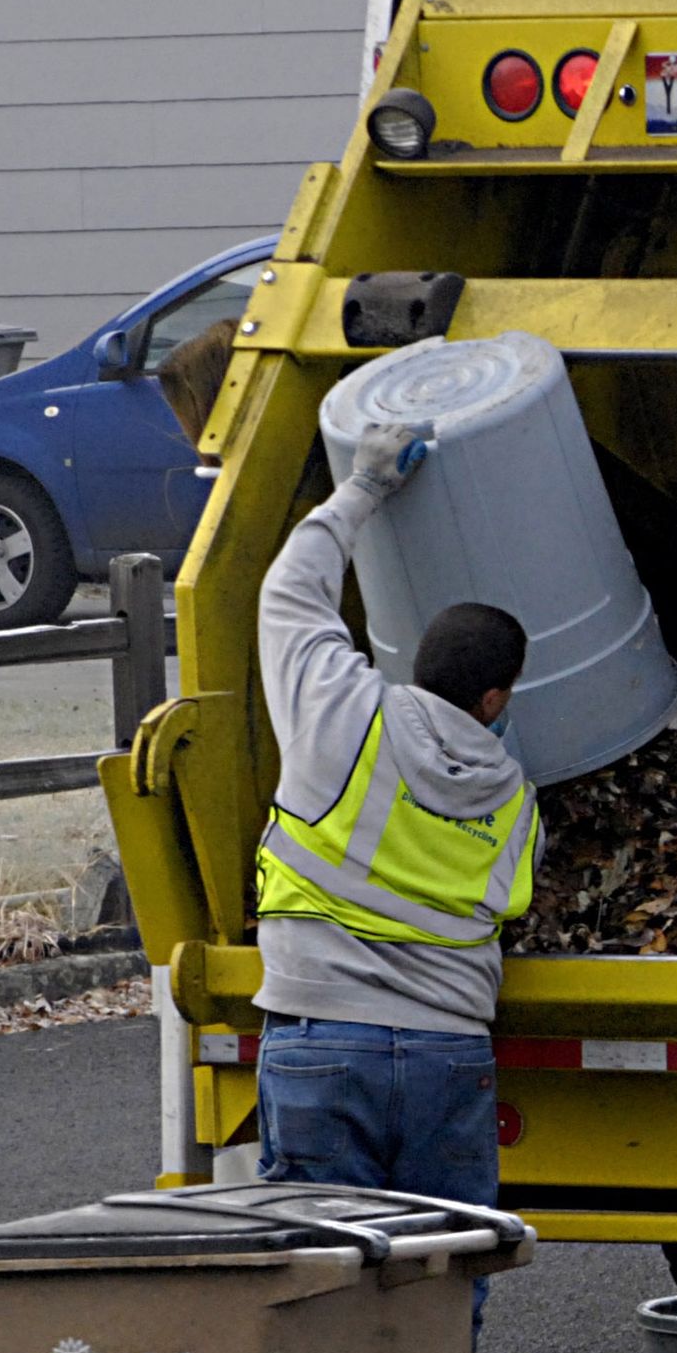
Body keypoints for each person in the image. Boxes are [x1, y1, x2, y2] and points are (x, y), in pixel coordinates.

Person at [249, 410, 537, 1218]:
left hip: (323, 1035)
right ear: (494, 699)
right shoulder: (516, 802)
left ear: (415, 658)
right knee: (446, 1259)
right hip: (449, 1050)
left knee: (325, 1264)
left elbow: (290, 588)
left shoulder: (339, 710)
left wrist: (366, 485)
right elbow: (508, 907)